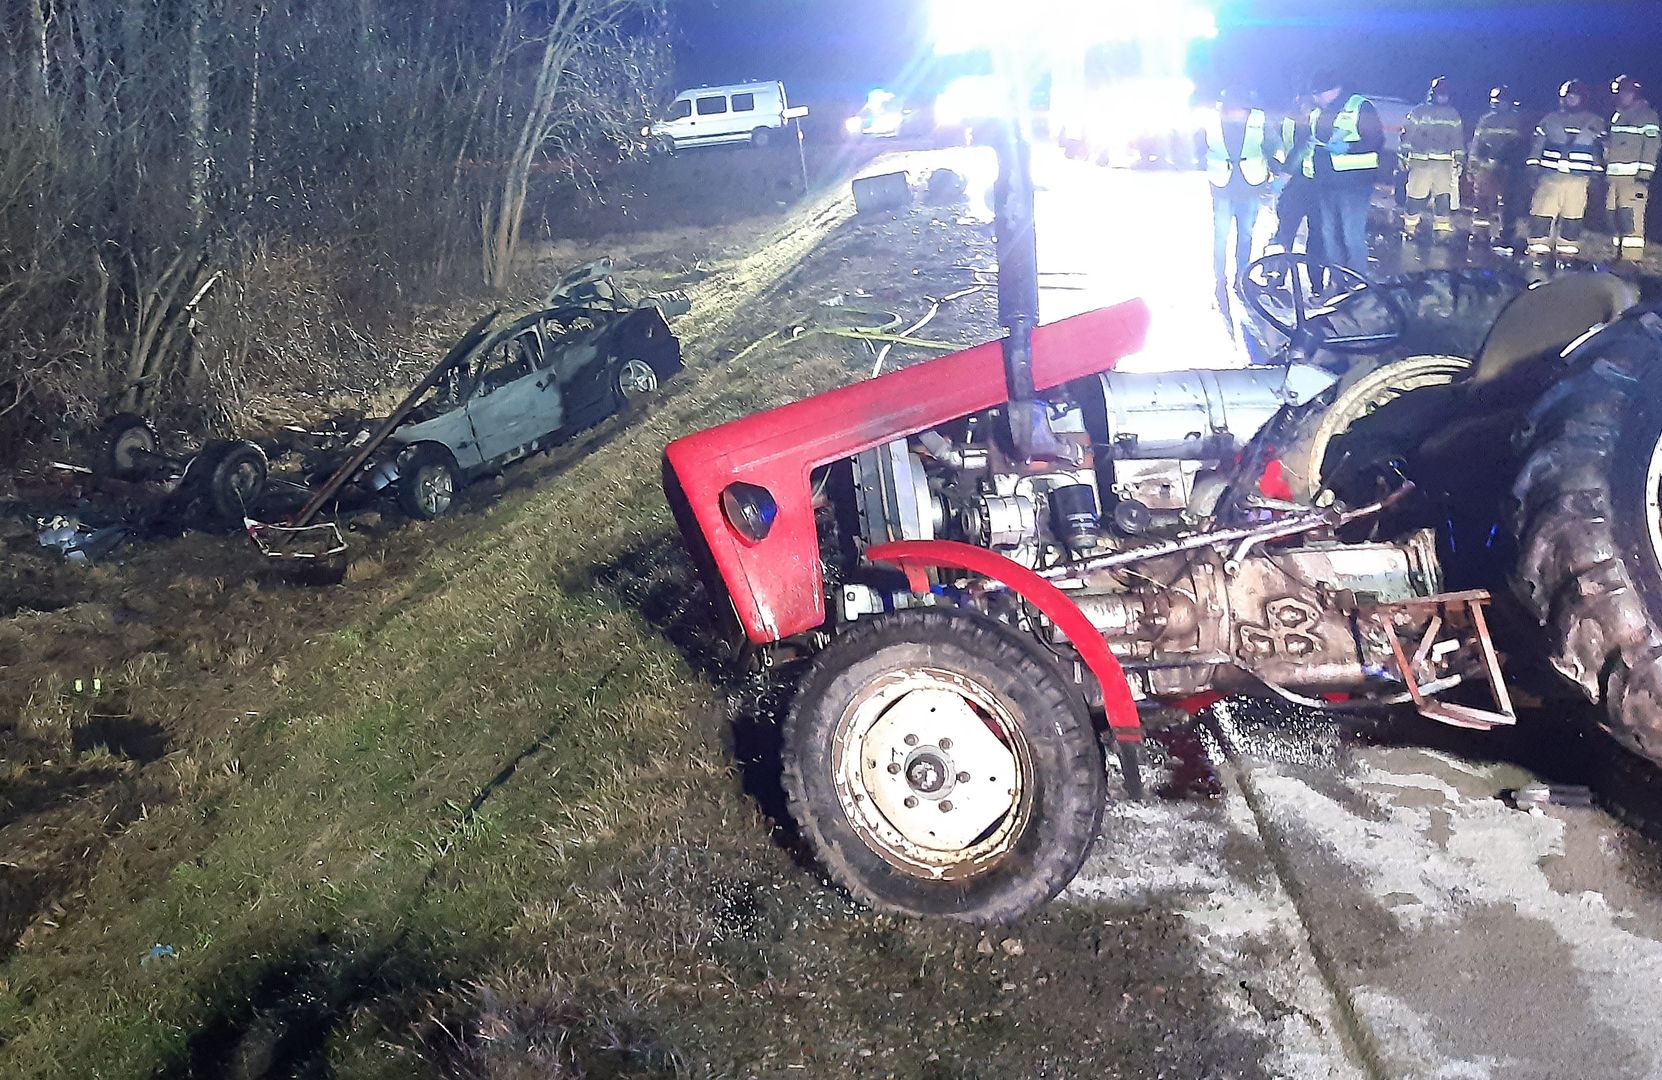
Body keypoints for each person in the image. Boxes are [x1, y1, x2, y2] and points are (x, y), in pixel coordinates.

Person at [1305, 70, 1383, 276]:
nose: (1315, 98)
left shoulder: (1360, 106)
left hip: (1355, 184)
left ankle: (1358, 286)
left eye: (1318, 93)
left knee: (1351, 236)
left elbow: (1376, 140)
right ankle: (1337, 284)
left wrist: (1348, 147)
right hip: (1326, 183)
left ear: (1334, 90)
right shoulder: (1319, 112)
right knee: (1330, 237)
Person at [1204, 88, 1280, 288]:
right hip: (1222, 184)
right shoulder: (1211, 118)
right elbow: (1198, 144)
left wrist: (1277, 173)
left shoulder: (1259, 119)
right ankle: (1219, 277)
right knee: (1221, 234)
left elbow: (1272, 146)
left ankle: (1242, 277)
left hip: (1250, 185)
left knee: (1245, 234)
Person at [1526, 80, 1606, 257]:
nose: (1571, 99)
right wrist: (1532, 169)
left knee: (1573, 218)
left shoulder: (1596, 122)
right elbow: (1536, 147)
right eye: (1568, 96)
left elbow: (1598, 152)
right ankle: (1538, 252)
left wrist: (1596, 177)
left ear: (1582, 99)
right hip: (1550, 178)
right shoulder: (1549, 120)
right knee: (1542, 215)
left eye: (1575, 96)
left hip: (1578, 180)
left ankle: (1566, 255)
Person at [1400, 76, 1465, 239]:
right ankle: (1410, 229)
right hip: (1421, 163)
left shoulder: (1453, 114)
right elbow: (1406, 136)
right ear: (1432, 93)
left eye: (1445, 94)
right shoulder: (1419, 111)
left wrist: (1460, 161)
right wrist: (1403, 156)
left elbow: (1458, 140)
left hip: (1443, 165)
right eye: (1440, 93)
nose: (1443, 97)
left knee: (1443, 198)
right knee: (1416, 197)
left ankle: (1441, 230)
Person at [1267, 94, 1326, 269]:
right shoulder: (1314, 121)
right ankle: (1312, 283)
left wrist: (1280, 173)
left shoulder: (1287, 121)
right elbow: (1291, 149)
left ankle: (1277, 274)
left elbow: (1281, 149)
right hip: (1308, 184)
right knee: (1311, 236)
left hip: (1299, 184)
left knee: (1286, 232)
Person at [1468, 85, 1530, 246]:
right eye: (1498, 102)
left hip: (1507, 169)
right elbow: (1476, 145)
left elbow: (1521, 144)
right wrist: (1472, 167)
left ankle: (1506, 236)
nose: (1501, 104)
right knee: (1482, 202)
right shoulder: (1486, 120)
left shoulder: (1517, 120)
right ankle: (1480, 234)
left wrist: (1513, 161)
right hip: (1486, 169)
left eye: (1503, 102)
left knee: (1508, 203)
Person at [1606, 74, 1660, 257]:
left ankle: (1630, 260)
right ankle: (1617, 254)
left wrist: (1644, 175)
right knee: (1613, 218)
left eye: (1627, 92)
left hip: (1633, 180)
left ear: (1635, 94)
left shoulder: (1647, 116)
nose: (1622, 96)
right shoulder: (1617, 115)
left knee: (1630, 219)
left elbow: (1652, 147)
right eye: (1620, 92)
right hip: (1614, 180)